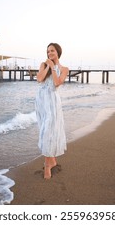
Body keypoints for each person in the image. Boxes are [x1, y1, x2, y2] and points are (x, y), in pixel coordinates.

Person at [35, 43, 69, 179]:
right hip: (41, 101)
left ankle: (48, 164)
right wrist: (48, 65)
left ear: (58, 52)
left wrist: (54, 67)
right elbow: (39, 79)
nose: (50, 53)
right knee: (45, 131)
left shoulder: (64, 69)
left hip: (53, 103)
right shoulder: (44, 65)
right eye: (48, 51)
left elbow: (56, 83)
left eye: (52, 51)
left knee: (50, 131)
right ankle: (52, 161)